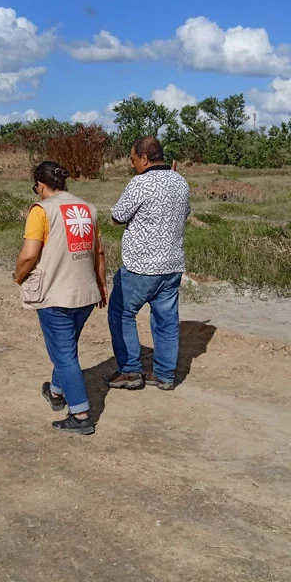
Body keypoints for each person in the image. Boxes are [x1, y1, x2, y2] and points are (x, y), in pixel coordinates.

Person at [14, 161, 108, 435]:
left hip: (56, 295)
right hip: (85, 292)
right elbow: (99, 252)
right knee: (66, 347)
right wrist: (102, 286)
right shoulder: (88, 209)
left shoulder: (41, 210)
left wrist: (18, 276)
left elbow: (29, 255)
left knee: (64, 354)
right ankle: (56, 392)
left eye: (36, 188)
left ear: (40, 185)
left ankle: (80, 414)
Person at [107, 136, 190, 391]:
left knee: (121, 312)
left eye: (133, 160)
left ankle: (131, 371)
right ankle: (164, 375)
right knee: (166, 320)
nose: (132, 165)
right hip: (172, 265)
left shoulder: (140, 184)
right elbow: (186, 213)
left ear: (144, 158)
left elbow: (117, 216)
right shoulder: (181, 181)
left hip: (141, 267)